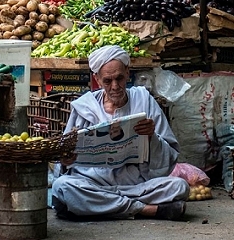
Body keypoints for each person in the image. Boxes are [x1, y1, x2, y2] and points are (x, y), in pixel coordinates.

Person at [51, 45, 189, 221]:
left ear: (128, 73)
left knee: (179, 187)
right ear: (97, 80)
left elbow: (169, 158)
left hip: (135, 185)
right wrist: (65, 161)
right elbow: (63, 161)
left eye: (119, 78)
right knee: (63, 186)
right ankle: (144, 209)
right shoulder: (84, 107)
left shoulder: (144, 100)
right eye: (107, 81)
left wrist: (151, 137)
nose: (115, 86)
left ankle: (101, 205)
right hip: (92, 183)